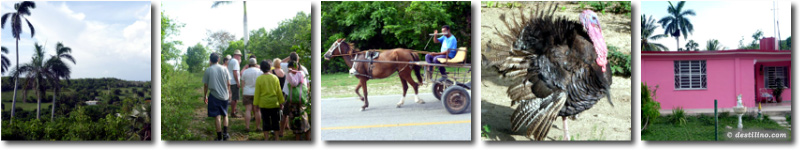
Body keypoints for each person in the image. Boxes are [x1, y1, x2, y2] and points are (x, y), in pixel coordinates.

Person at [202, 53, 232, 141]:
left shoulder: (208, 70)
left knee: (217, 117)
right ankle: (225, 134)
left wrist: (205, 96)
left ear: (210, 60)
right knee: (225, 114)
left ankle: (219, 138)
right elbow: (229, 83)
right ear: (218, 59)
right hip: (225, 96)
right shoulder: (225, 69)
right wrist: (228, 93)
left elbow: (205, 85)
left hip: (214, 96)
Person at [254, 60, 285, 141]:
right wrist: (281, 102)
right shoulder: (275, 78)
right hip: (274, 103)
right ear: (270, 67)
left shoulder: (259, 79)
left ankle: (266, 138)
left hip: (263, 104)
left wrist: (255, 104)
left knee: (265, 121)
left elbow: (257, 93)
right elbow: (279, 91)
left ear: (261, 68)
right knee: (275, 121)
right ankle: (277, 138)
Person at [285, 60, 310, 140]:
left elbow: (294, 83)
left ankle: (306, 138)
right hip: (296, 101)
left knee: (302, 119)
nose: (290, 69)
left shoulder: (300, 73)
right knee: (296, 120)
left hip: (299, 101)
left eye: (291, 67)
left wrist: (290, 74)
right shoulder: (295, 74)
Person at [241, 57, 263, 132]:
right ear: (255, 64)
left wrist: (243, 93)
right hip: (257, 93)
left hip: (247, 92)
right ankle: (258, 127)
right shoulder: (260, 71)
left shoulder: (245, 72)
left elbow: (243, 84)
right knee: (257, 110)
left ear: (249, 64)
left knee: (248, 110)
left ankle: (247, 127)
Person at [270, 58, 288, 137]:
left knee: (275, 112)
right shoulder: (283, 72)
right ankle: (284, 128)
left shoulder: (272, 72)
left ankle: (275, 129)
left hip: (275, 93)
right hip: (284, 92)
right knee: (284, 111)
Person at [228, 50, 242, 118]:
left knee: (234, 97)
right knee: (235, 98)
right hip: (234, 81)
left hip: (231, 81)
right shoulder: (235, 61)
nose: (240, 57)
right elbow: (235, 72)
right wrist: (237, 82)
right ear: (236, 55)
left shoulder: (231, 61)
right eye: (239, 56)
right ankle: (233, 112)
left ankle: (233, 110)